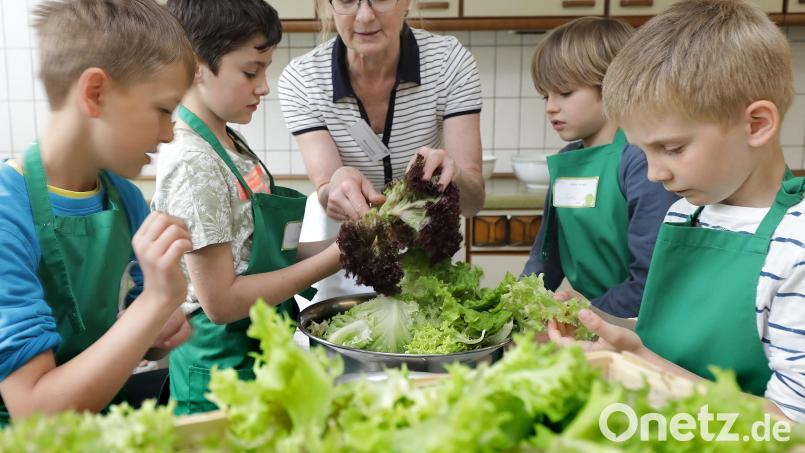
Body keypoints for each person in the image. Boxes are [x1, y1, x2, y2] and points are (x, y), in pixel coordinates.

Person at [549, 0, 805, 421]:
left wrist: (645, 370)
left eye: (672, 148)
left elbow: (789, 428)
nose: (653, 174)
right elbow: (664, 342)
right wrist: (612, 335)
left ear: (756, 124)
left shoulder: (793, 248)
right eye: (642, 151)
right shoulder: (685, 214)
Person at [0, 0, 196, 423]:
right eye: (163, 110)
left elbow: (137, 325)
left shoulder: (124, 197)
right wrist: (156, 302)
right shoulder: (6, 214)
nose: (167, 135)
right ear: (95, 93)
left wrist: (157, 328)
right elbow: (33, 411)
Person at [155, 0, 342, 415]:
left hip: (260, 353)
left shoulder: (229, 143)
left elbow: (263, 255)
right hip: (221, 371)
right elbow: (220, 301)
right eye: (250, 71)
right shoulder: (194, 162)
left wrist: (344, 243)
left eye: (266, 69)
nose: (264, 86)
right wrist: (333, 260)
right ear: (196, 65)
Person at [278, 0, 486, 300]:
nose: (364, 15)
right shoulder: (303, 79)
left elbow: (473, 202)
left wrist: (451, 176)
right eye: (347, 0)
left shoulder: (449, 62)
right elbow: (326, 191)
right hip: (340, 254)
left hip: (425, 258)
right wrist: (336, 184)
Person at [521, 16, 678, 318]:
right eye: (546, 95)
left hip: (642, 322)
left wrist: (580, 317)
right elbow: (546, 260)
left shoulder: (641, 162)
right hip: (602, 318)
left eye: (564, 93)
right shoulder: (567, 161)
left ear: (613, 86)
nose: (550, 106)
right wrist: (516, 311)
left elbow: (649, 281)